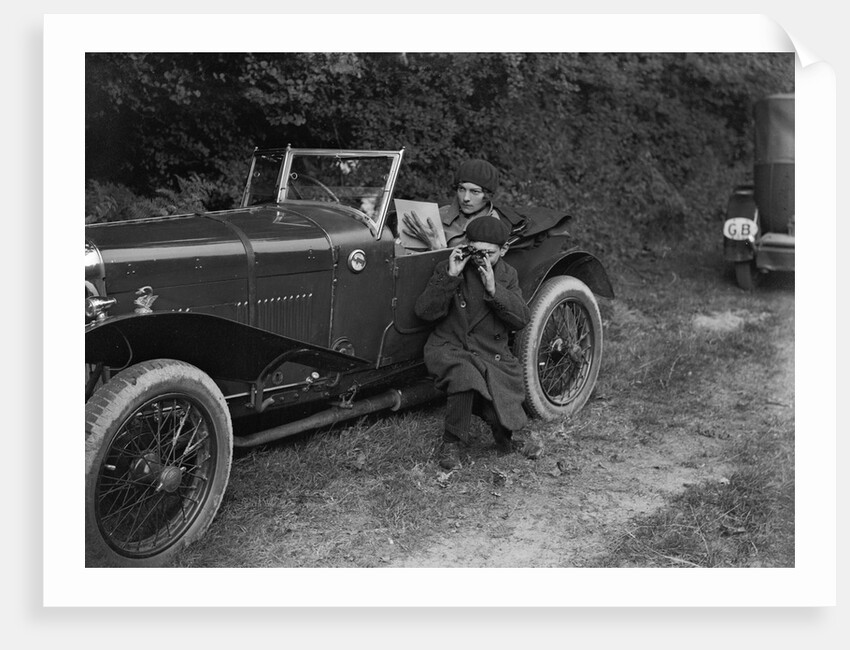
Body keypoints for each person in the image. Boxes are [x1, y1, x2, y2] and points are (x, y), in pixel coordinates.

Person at [414, 216, 533, 470]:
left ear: (504, 250)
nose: (480, 259)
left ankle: (505, 438)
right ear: (466, 245)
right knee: (465, 375)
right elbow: (425, 312)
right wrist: (451, 275)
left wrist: (494, 289)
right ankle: (451, 443)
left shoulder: (507, 275)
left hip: (490, 352)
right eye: (475, 251)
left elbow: (522, 319)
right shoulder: (451, 267)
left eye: (488, 254)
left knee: (499, 409)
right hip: (450, 346)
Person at [402, 159, 517, 250]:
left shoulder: (492, 226)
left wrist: (435, 247)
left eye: (475, 192)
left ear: (487, 195)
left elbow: (472, 269)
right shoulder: (441, 213)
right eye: (461, 189)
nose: (466, 198)